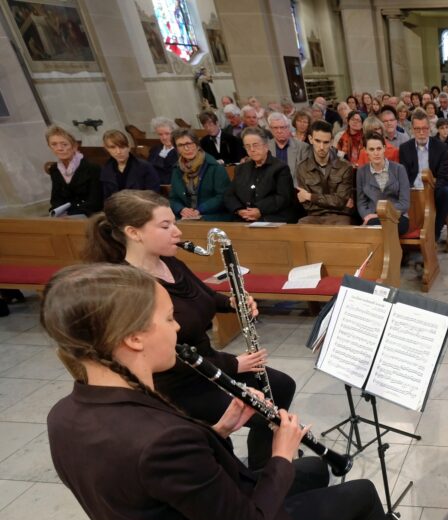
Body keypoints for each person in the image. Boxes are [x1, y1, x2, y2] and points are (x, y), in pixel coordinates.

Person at [43, 262, 426, 520]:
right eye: (169, 319)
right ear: (134, 339)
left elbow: (154, 484)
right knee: (360, 492)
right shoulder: (161, 442)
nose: (178, 329)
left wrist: (219, 430)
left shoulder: (64, 414)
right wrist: (280, 455)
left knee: (312, 470)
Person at [82, 190, 294, 468]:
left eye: (174, 223)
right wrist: (233, 364)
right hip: (177, 382)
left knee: (281, 386)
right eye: (165, 226)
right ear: (134, 232)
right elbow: (169, 355)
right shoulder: (129, 288)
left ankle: (262, 463)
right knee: (263, 413)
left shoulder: (168, 261)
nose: (177, 232)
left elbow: (202, 296)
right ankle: (235, 465)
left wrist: (233, 303)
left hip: (208, 365)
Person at [399, 109, 448, 240]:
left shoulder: (440, 147)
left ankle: (435, 232)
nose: (421, 132)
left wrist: (430, 188)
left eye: (424, 128)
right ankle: (411, 232)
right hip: (413, 189)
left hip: (436, 187)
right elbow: (404, 174)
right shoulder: (405, 148)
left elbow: (443, 175)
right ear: (412, 129)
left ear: (429, 128)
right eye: (417, 129)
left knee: (447, 192)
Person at [224, 127, 298, 223]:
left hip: (271, 216)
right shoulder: (240, 169)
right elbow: (229, 195)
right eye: (247, 146)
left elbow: (282, 197)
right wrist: (239, 210)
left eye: (255, 145)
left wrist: (259, 209)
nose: (252, 149)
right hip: (243, 217)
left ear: (266, 146)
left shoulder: (280, 168)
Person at [295, 120, 356, 224]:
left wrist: (310, 196)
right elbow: (306, 205)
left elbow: (341, 201)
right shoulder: (302, 167)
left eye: (326, 142)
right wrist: (334, 202)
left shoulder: (345, 166)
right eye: (318, 141)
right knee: (298, 230)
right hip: (314, 216)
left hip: (340, 216)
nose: (321, 147)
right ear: (310, 139)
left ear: (331, 142)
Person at [168, 128, 232, 221]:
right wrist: (181, 209)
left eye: (189, 143)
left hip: (211, 216)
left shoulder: (214, 167)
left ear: (197, 145)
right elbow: (173, 198)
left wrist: (199, 210)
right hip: (185, 217)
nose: (186, 148)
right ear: (177, 149)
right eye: (181, 145)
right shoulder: (177, 169)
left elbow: (223, 196)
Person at [357, 133, 410, 236]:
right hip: (371, 218)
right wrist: (368, 215)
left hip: (397, 217)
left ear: (384, 148)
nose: (376, 153)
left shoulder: (399, 169)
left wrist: (377, 214)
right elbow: (361, 202)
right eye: (371, 149)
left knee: (378, 225)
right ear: (366, 151)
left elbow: (404, 203)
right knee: (374, 226)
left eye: (379, 148)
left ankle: (390, 252)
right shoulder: (361, 172)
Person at [46, 124, 102, 217]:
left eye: (64, 144)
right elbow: (55, 200)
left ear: (74, 146)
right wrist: (55, 212)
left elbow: (95, 202)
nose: (59, 148)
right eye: (54, 144)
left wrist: (70, 215)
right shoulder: (54, 169)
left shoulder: (92, 168)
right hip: (65, 216)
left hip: (89, 216)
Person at [99, 129, 160, 199]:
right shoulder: (106, 170)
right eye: (112, 147)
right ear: (106, 149)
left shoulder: (144, 167)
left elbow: (153, 196)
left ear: (128, 146)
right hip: (116, 208)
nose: (118, 151)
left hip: (141, 208)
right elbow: (106, 198)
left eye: (122, 147)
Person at [267, 112, 310, 179]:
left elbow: (305, 175)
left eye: (282, 127)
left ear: (288, 127)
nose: (279, 131)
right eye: (275, 128)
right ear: (270, 129)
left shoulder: (302, 147)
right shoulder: (265, 147)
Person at [147, 117, 179, 186]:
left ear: (174, 133)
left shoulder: (179, 151)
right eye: (160, 134)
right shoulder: (154, 150)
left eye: (167, 134)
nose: (164, 138)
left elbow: (174, 177)